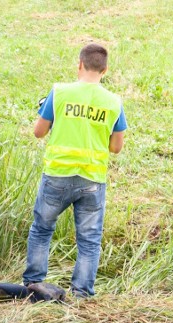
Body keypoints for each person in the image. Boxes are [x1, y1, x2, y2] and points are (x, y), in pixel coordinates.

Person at [23, 43, 127, 298]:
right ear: (106, 70)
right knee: (89, 241)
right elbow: (116, 147)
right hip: (92, 180)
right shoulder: (114, 102)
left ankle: (33, 284)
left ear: (79, 64)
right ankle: (81, 293)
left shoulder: (59, 92)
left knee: (42, 229)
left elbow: (38, 132)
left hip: (57, 175)